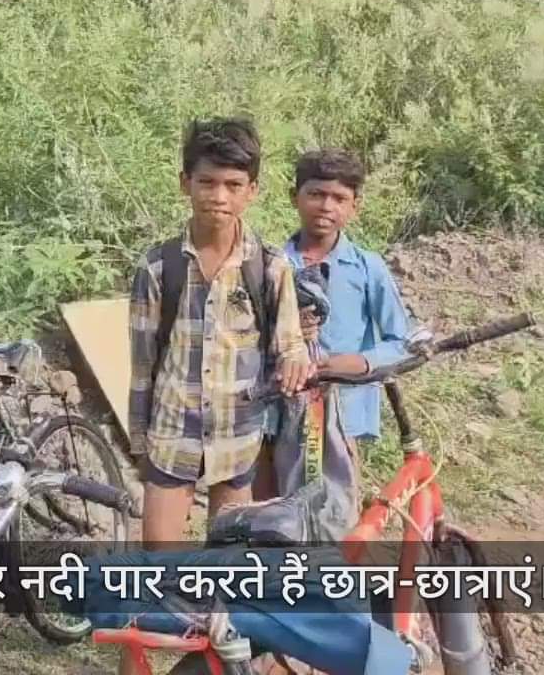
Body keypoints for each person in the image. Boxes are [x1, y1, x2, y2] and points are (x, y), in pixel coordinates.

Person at [127, 116, 313, 551]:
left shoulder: (269, 267)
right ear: (185, 183)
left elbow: (289, 344)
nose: (219, 197)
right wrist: (139, 443)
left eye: (233, 185)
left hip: (237, 440)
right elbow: (142, 365)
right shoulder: (158, 267)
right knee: (159, 564)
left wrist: (295, 360)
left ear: (252, 191)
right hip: (172, 436)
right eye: (207, 182)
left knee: (227, 566)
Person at [252, 147, 415, 505]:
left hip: (342, 414)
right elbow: (245, 335)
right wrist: (285, 331)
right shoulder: (269, 266)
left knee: (337, 509)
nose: (326, 206)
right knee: (267, 510)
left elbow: (403, 342)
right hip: (274, 416)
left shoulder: (368, 268)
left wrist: (361, 363)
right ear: (294, 197)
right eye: (316, 194)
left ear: (355, 206)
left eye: (339, 198)